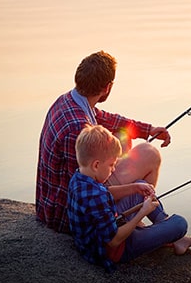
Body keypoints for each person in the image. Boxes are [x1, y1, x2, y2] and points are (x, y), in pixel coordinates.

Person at [36, 50, 171, 234]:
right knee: (150, 154)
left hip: (53, 202)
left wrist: (147, 130)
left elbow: (106, 118)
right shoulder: (77, 129)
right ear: (107, 87)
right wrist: (133, 187)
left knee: (122, 137)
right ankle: (132, 222)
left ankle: (138, 217)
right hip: (65, 215)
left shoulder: (69, 100)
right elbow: (83, 189)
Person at [67, 125, 191, 271]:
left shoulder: (79, 178)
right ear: (96, 165)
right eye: (112, 165)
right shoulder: (95, 196)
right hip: (115, 251)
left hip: (101, 234)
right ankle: (175, 237)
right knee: (180, 223)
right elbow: (114, 241)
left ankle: (168, 232)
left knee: (141, 184)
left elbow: (105, 193)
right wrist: (142, 213)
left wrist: (134, 188)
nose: (113, 169)